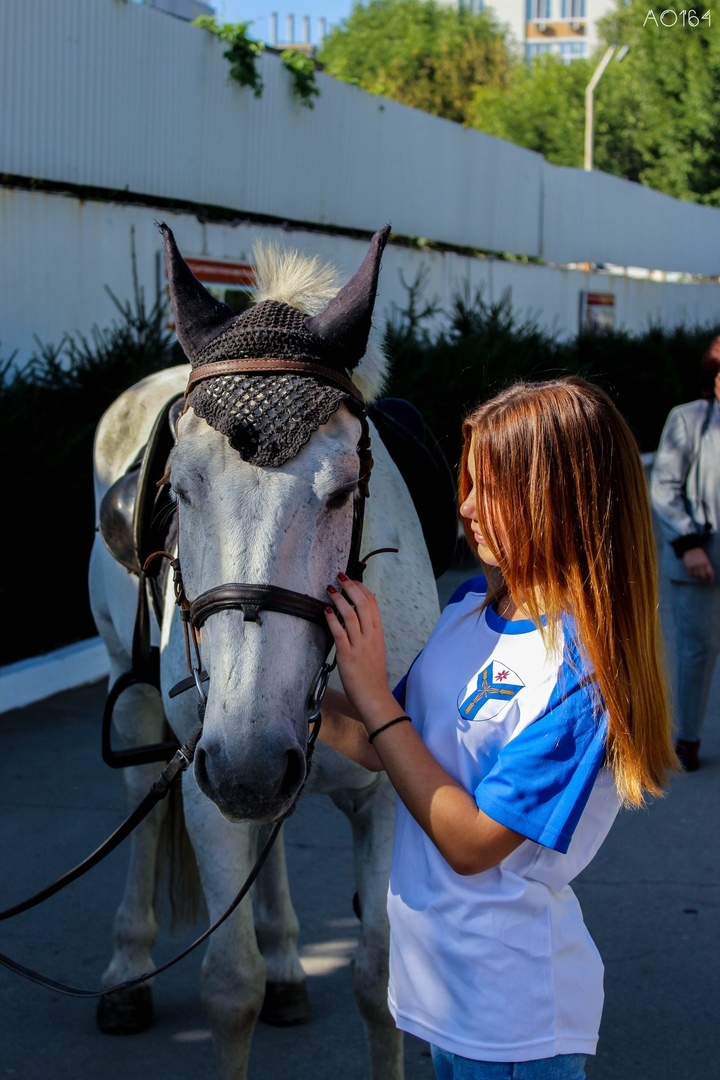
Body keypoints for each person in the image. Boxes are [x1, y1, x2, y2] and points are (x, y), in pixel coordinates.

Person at [319, 376, 677, 1080]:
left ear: (562, 498)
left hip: (514, 1021)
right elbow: (386, 747)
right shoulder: (465, 611)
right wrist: (287, 698)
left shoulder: (580, 669)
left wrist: (370, 693)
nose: (467, 506)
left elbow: (472, 843)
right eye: (468, 482)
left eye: (493, 489)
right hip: (444, 999)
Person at [650, 337, 720, 772]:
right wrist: (689, 544)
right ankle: (686, 738)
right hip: (701, 560)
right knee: (697, 651)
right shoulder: (688, 420)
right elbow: (664, 488)